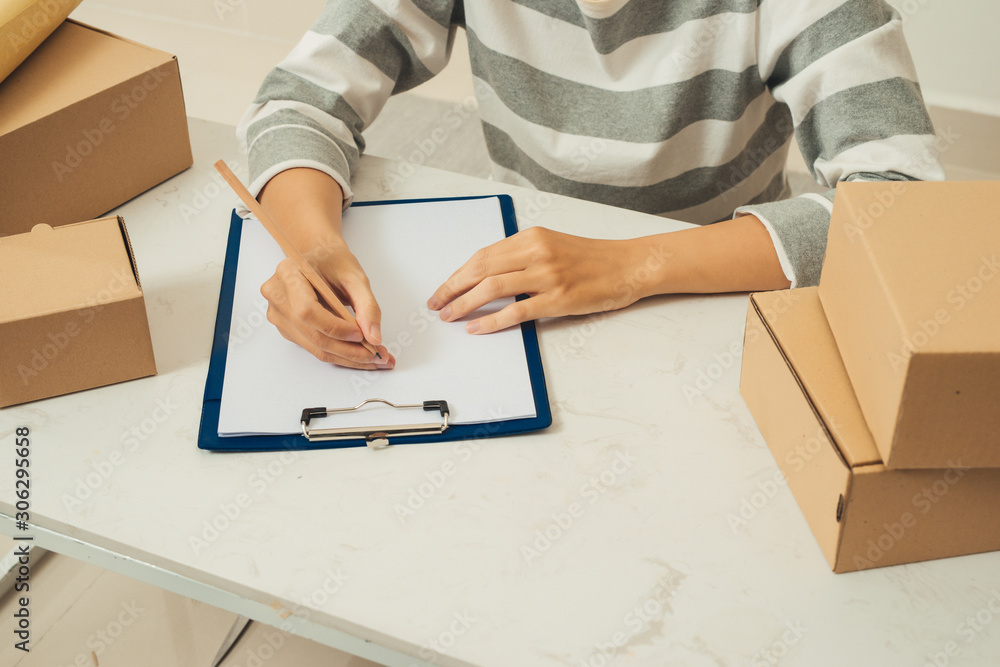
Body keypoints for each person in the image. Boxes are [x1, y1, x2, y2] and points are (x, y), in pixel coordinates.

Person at [237, 0, 944, 370]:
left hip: (724, 286)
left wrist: (633, 263)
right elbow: (298, 102)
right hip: (522, 289)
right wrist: (311, 247)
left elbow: (901, 207)